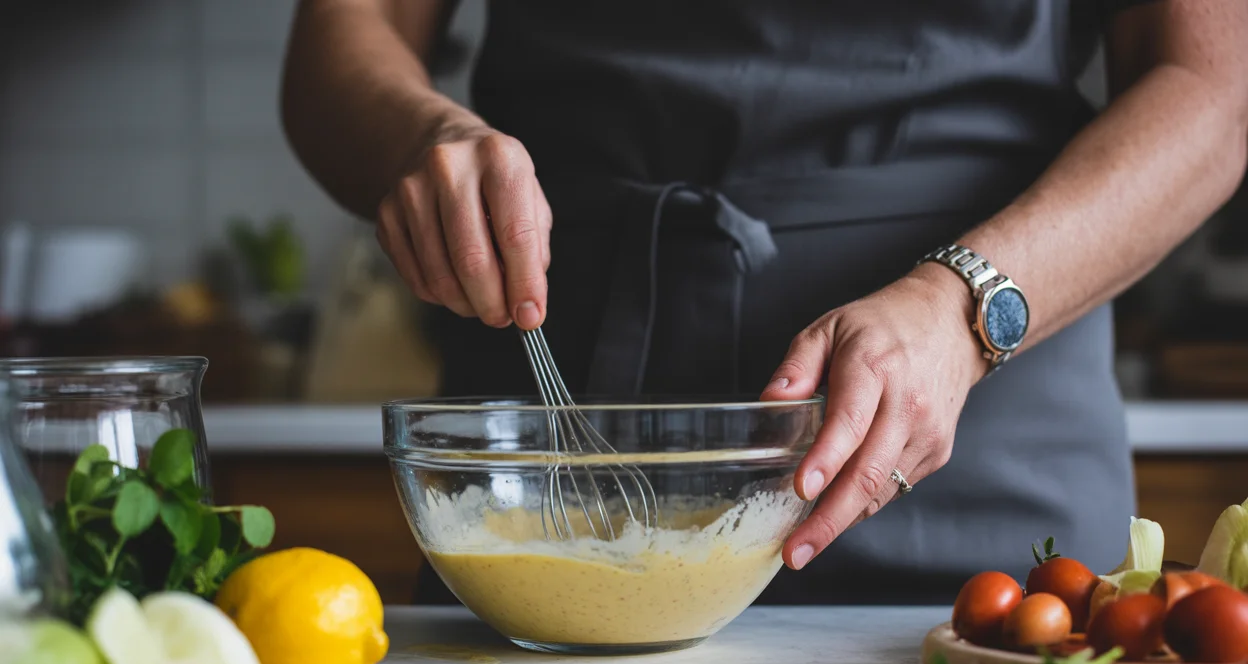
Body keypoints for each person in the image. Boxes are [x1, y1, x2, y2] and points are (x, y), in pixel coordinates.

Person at [281, 1, 1248, 604]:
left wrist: (963, 307)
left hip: (976, 435)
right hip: (548, 472)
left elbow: (1213, 88)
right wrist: (417, 138)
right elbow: (344, 40)